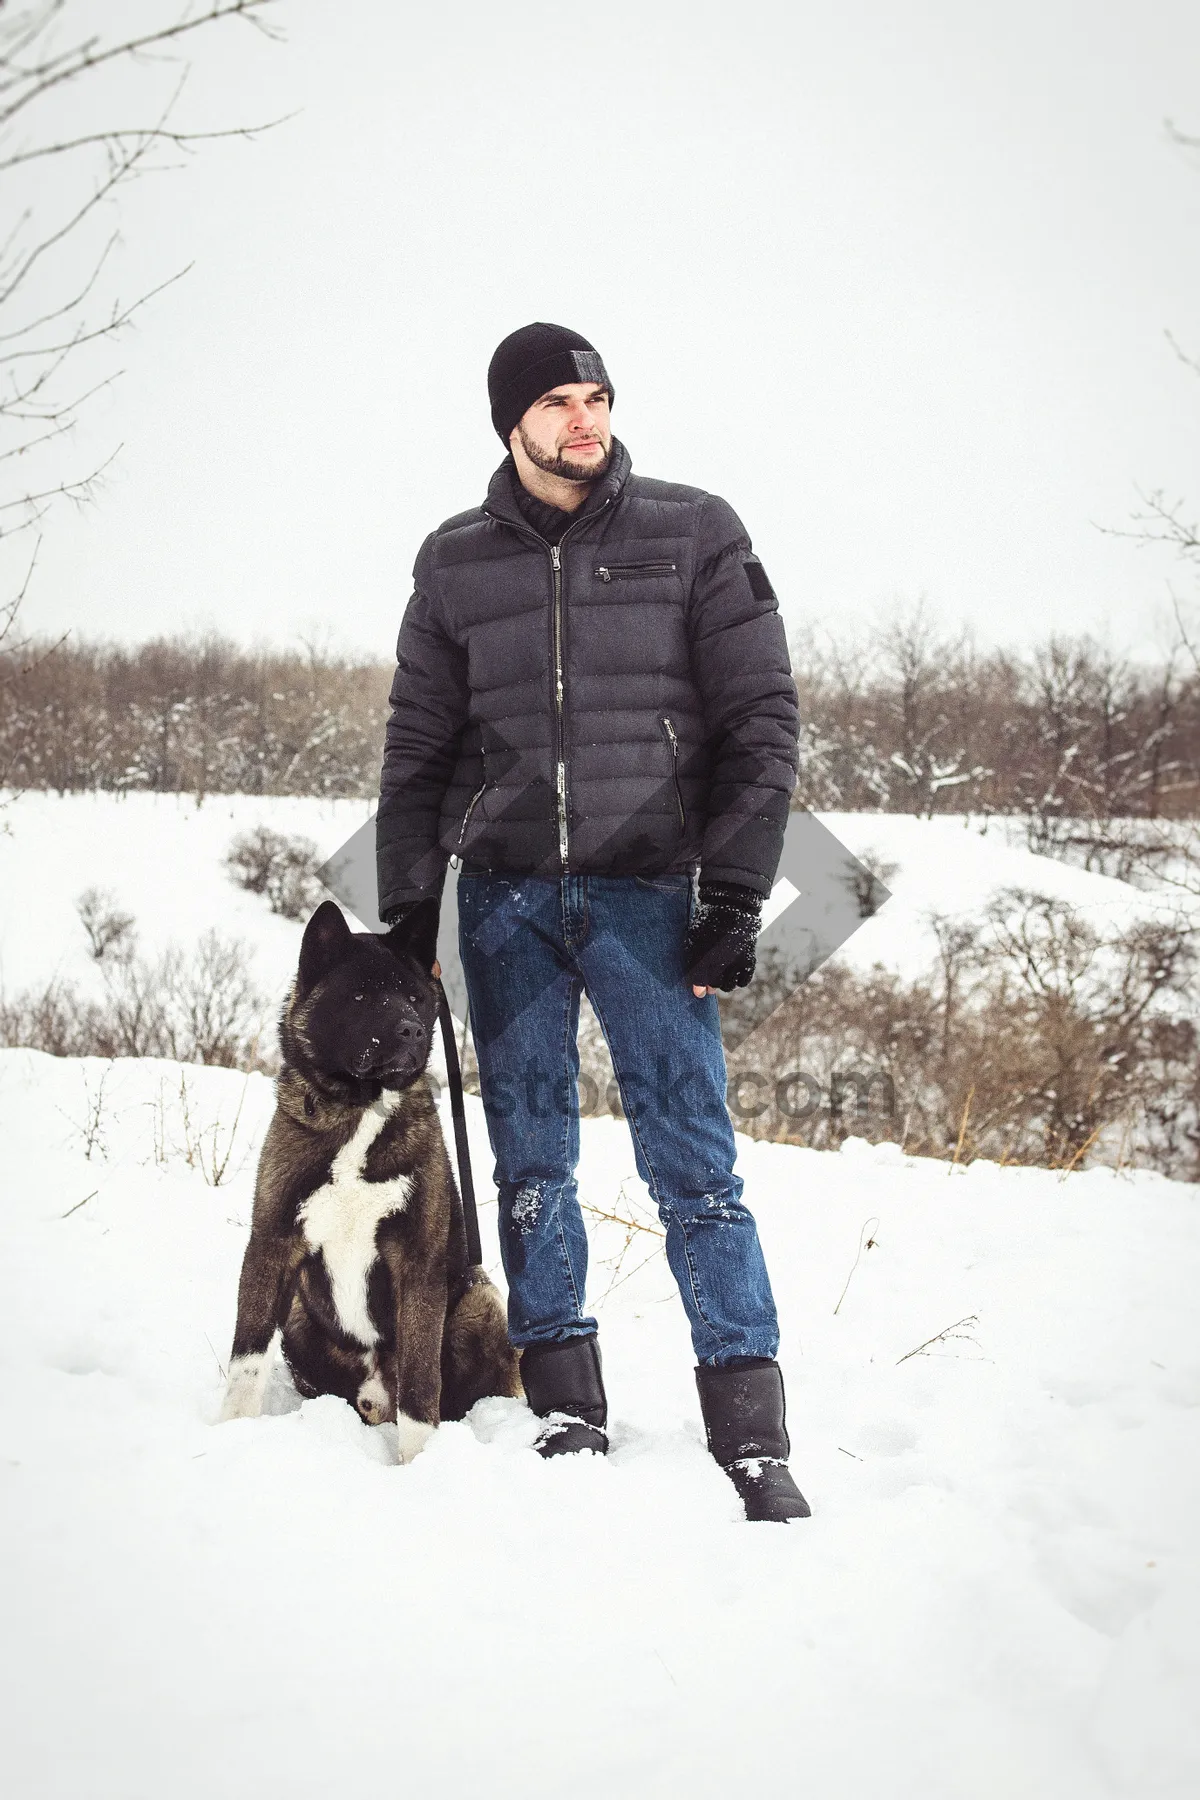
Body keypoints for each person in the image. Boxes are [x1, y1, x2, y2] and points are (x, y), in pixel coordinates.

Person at [376, 322, 809, 1521]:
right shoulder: (454, 562)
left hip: (651, 893)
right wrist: (407, 908)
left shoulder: (694, 530)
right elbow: (417, 747)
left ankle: (750, 1429)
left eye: (599, 397)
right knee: (530, 1163)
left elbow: (762, 721)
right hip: (506, 899)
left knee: (694, 1164)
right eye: (560, 402)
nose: (587, 420)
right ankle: (565, 1398)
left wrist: (733, 888)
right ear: (511, 422)